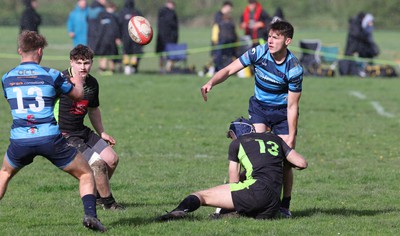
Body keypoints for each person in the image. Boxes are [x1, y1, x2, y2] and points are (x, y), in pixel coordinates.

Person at [0, 31, 106, 232]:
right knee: (85, 173)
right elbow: (77, 95)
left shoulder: (6, 77)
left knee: (4, 173)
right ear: (40, 51)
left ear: (19, 51)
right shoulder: (51, 75)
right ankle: (91, 216)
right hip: (49, 138)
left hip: (20, 139)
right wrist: (79, 80)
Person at [201, 20, 303, 218]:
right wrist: (211, 82)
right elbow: (230, 69)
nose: (270, 41)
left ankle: (285, 204)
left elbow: (292, 106)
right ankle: (241, 198)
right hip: (260, 110)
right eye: (269, 36)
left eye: (276, 37)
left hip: (282, 113)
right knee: (256, 155)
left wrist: (290, 135)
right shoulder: (259, 52)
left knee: (285, 163)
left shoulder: (294, 68)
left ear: (288, 41)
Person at [157, 117, 307, 221]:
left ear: (236, 134)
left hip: (256, 193)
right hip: (273, 205)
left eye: (231, 136)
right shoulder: (275, 139)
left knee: (201, 196)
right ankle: (234, 214)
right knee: (248, 199)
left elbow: (233, 183)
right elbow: (301, 163)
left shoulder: (238, 143)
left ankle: (177, 211)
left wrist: (224, 205)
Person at [54, 44, 123, 210]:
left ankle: (99, 195)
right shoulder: (61, 80)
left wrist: (102, 132)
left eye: (86, 63)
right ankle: (108, 203)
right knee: (98, 164)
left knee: (112, 160)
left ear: (92, 63)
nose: (83, 67)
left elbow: (93, 110)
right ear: (71, 62)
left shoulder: (92, 83)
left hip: (81, 130)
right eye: (79, 63)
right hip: (65, 134)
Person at [118, 0, 144, 75]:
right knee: (133, 52)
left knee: (128, 52)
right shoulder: (136, 12)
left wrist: (119, 36)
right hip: (133, 36)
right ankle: (131, 68)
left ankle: (129, 68)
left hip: (127, 36)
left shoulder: (122, 13)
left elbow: (118, 26)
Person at [95, 1, 122, 74]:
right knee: (111, 55)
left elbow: (97, 29)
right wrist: (118, 38)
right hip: (111, 40)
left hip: (101, 40)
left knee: (102, 55)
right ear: (113, 8)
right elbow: (116, 29)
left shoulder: (100, 15)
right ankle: (111, 70)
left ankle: (102, 70)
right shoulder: (114, 16)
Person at [211, 1, 237, 72]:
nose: (231, 10)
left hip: (229, 40)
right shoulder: (218, 16)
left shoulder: (229, 17)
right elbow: (215, 28)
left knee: (229, 56)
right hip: (220, 39)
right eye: (230, 8)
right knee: (218, 56)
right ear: (226, 7)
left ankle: (227, 70)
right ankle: (218, 70)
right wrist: (215, 39)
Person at [155, 0, 179, 73]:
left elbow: (175, 27)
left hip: (170, 37)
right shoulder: (163, 11)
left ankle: (168, 69)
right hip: (163, 37)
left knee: (170, 55)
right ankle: (162, 68)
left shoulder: (173, 13)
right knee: (162, 55)